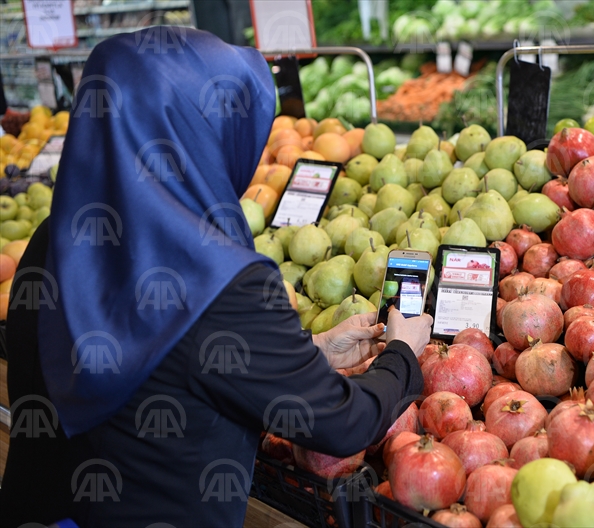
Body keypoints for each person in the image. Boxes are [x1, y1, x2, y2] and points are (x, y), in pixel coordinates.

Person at [0, 28, 432, 528]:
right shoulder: (222, 278)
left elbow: (170, 362)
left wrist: (312, 351)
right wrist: (402, 354)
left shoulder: (55, 241)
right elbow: (341, 424)